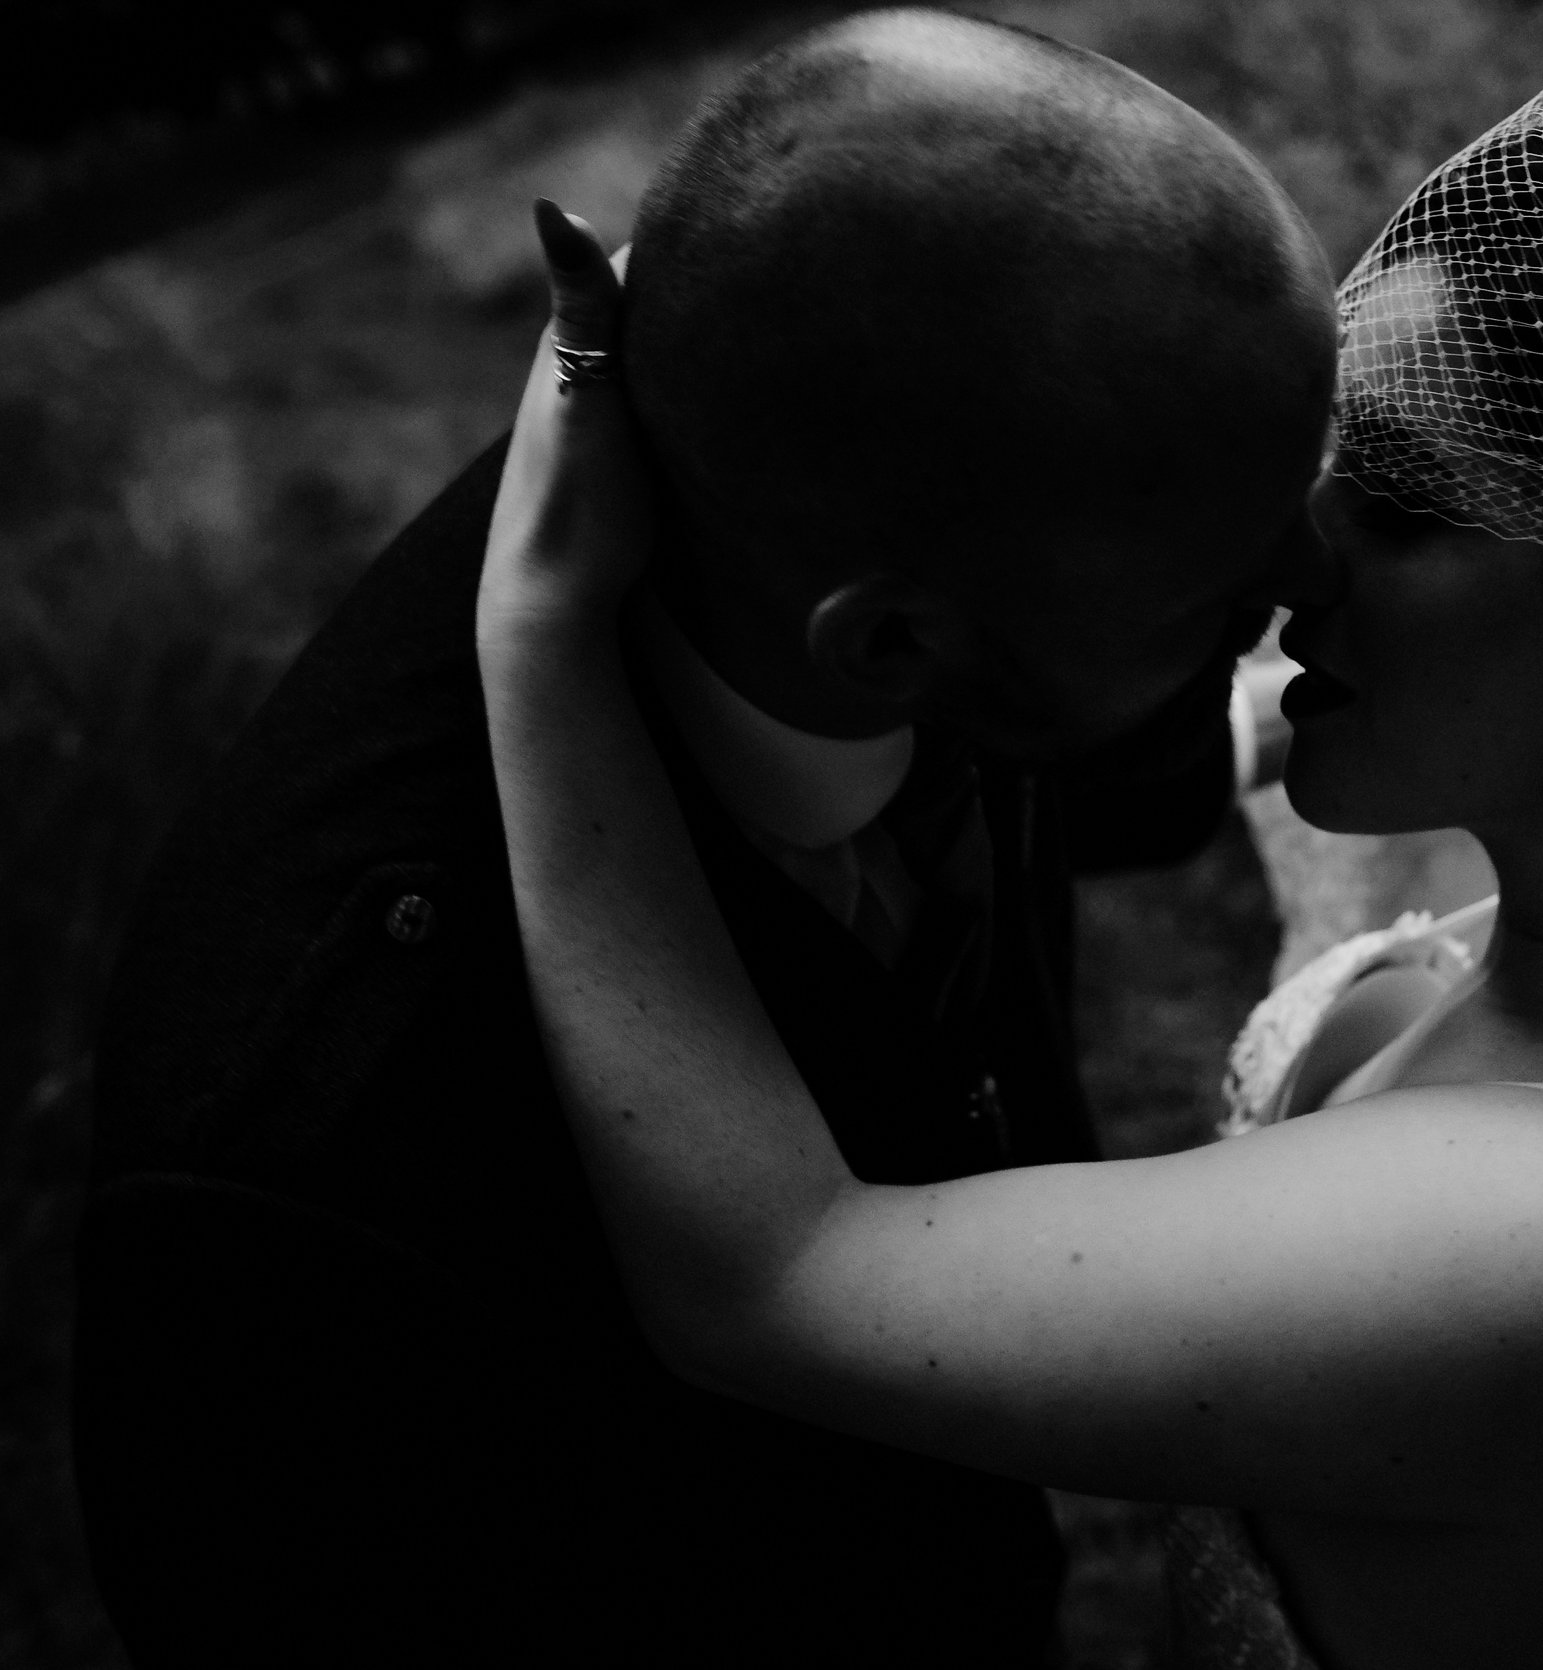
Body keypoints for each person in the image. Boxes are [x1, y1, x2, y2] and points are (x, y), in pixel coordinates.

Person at [477, 65, 1543, 1670]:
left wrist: (538, 622)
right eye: (1336, 457)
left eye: (1405, 505)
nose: (1295, 557)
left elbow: (774, 1277)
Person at [73, 12, 1332, 1663]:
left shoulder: (863, 486)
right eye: (1226, 595)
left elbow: (1079, 741)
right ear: (885, 647)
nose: (1308, 583)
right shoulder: (308, 1149)